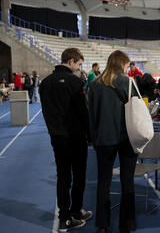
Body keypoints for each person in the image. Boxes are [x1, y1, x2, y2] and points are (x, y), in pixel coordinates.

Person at [40, 48, 92, 232]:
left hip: (57, 137)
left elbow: (45, 112)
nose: (79, 68)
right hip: (75, 137)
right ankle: (74, 212)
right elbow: (83, 112)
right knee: (78, 176)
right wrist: (90, 135)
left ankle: (65, 216)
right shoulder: (74, 82)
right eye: (78, 64)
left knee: (63, 175)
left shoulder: (44, 83)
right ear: (70, 61)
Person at [88, 50, 139, 233]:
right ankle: (127, 225)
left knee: (103, 182)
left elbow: (91, 115)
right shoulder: (128, 81)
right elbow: (139, 110)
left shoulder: (94, 84)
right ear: (122, 64)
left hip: (103, 138)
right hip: (126, 138)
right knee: (128, 182)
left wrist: (93, 138)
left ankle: (102, 225)